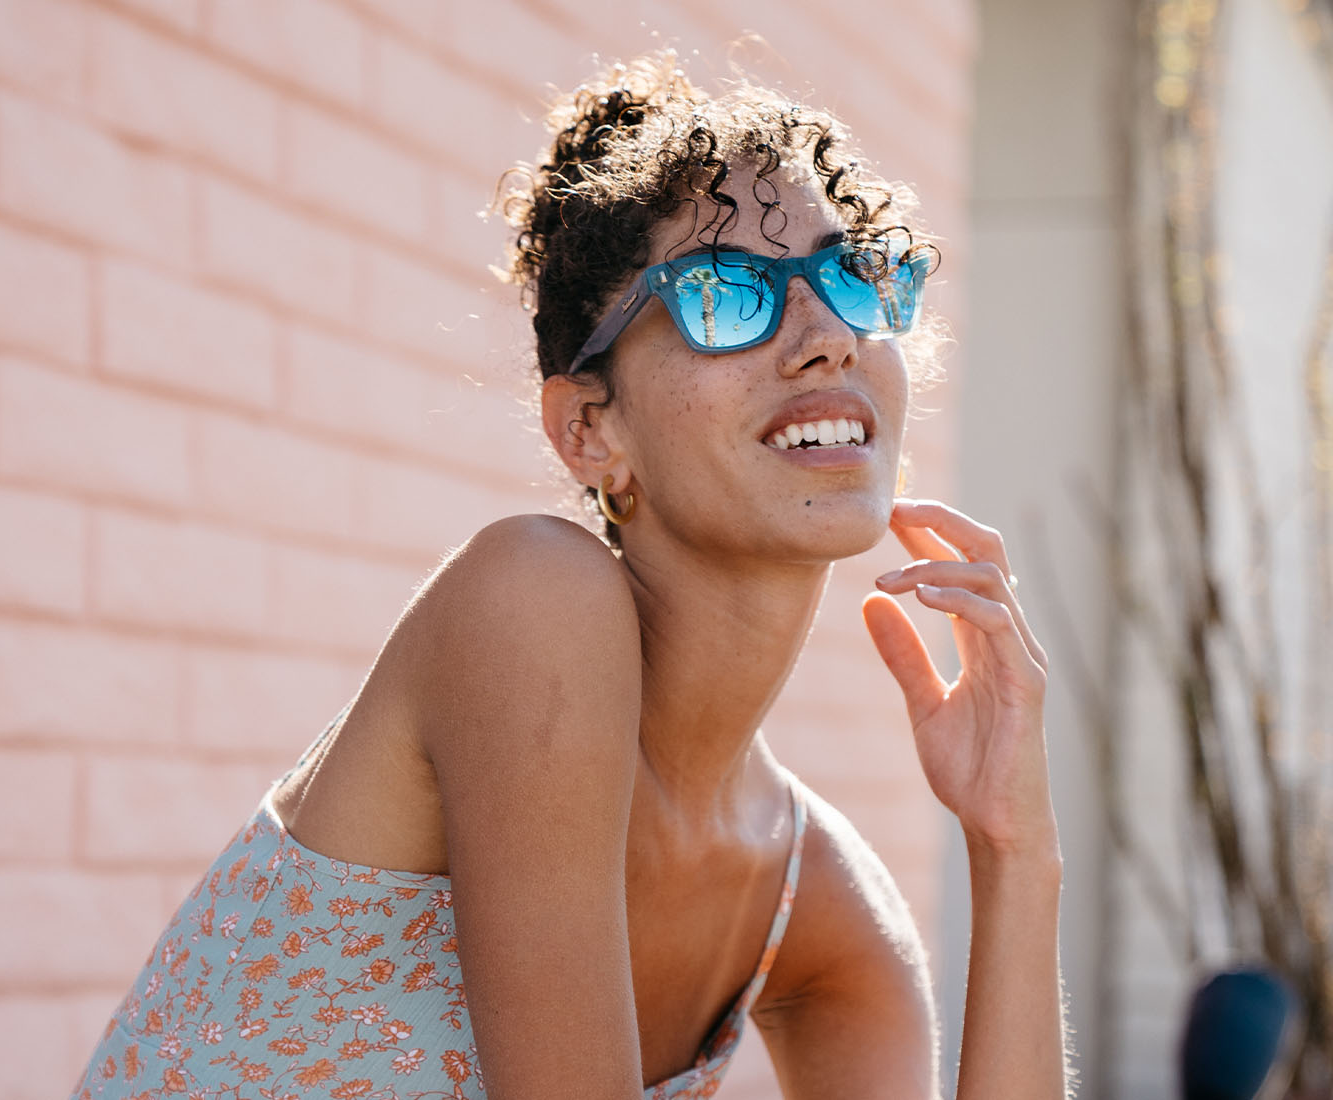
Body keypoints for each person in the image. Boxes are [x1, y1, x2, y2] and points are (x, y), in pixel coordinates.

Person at [70, 52, 1067, 1100]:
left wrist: (1015, 846)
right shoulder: (532, 601)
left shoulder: (812, 900)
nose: (826, 339)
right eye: (727, 296)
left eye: (850, 277)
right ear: (590, 431)